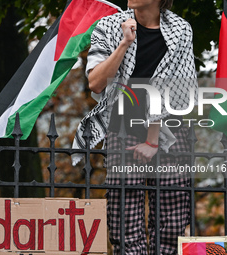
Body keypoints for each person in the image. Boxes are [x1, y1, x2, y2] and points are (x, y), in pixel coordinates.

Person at [72, 0, 197, 254]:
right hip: (123, 129)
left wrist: (152, 140)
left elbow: (181, 90)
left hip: (170, 131)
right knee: (124, 222)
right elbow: (95, 82)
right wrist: (124, 44)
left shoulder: (181, 30)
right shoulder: (109, 26)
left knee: (172, 224)